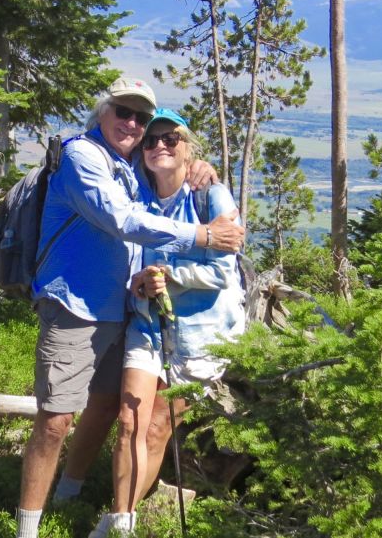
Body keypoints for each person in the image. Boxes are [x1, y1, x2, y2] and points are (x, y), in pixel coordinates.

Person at [16, 79, 245, 538]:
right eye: (125, 112)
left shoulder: (132, 169)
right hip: (76, 306)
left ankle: (71, 497)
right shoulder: (84, 157)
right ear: (103, 111)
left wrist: (200, 167)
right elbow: (121, 220)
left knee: (105, 410)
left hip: (132, 313)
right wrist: (200, 237)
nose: (136, 126)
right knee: (58, 418)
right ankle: (29, 528)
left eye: (148, 122)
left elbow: (218, 263)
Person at [89, 109, 246, 538]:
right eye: (151, 140)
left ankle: (121, 516)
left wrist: (170, 277)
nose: (159, 145)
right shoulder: (135, 197)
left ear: (187, 149)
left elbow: (221, 274)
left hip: (202, 335)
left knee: (157, 425)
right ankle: (120, 522)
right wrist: (140, 282)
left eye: (170, 139)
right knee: (129, 420)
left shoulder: (210, 197)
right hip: (148, 325)